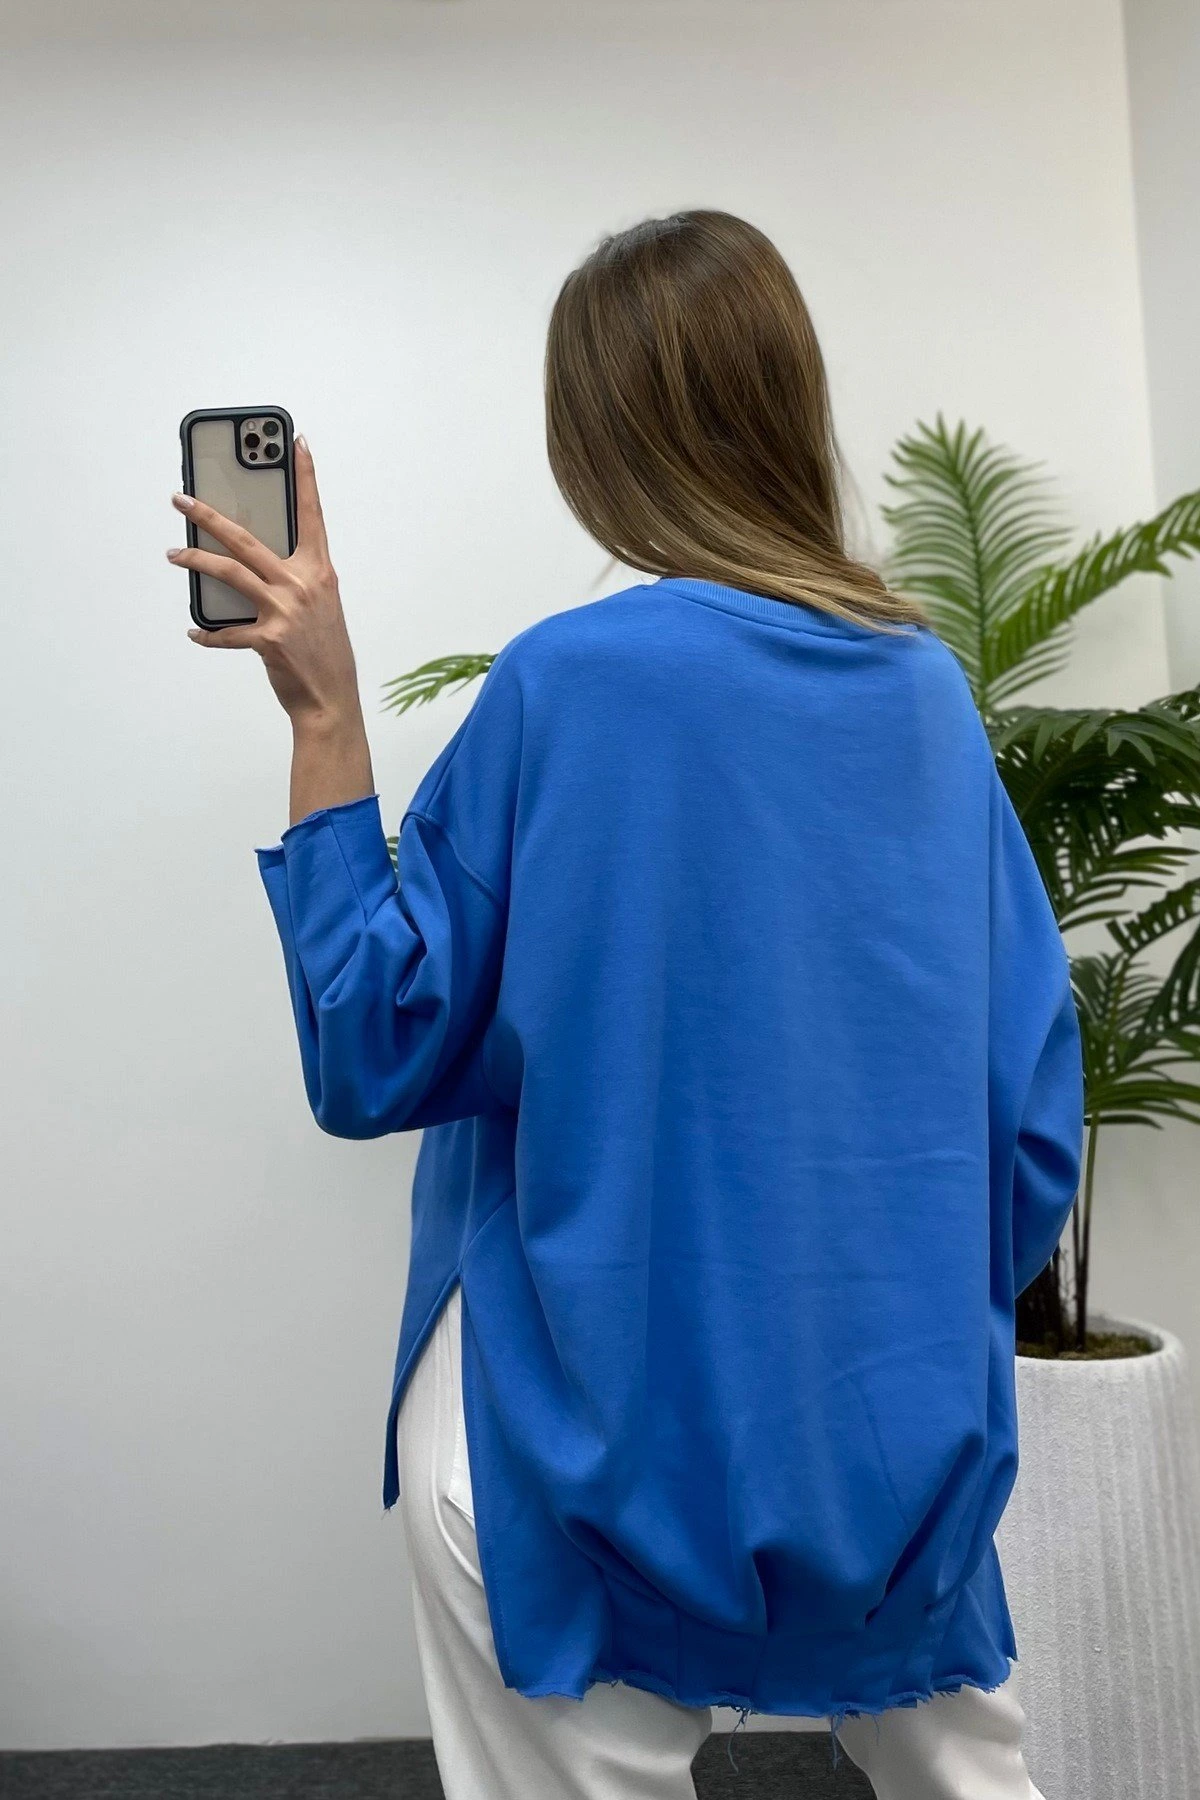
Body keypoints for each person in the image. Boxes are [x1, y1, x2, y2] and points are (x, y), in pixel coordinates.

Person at [168, 210, 1083, 1800]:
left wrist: (324, 713)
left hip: (569, 1443)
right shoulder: (929, 696)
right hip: (886, 1459)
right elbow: (1028, 1142)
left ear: (594, 438)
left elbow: (376, 1045)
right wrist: (868, 1343)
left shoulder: (571, 683)